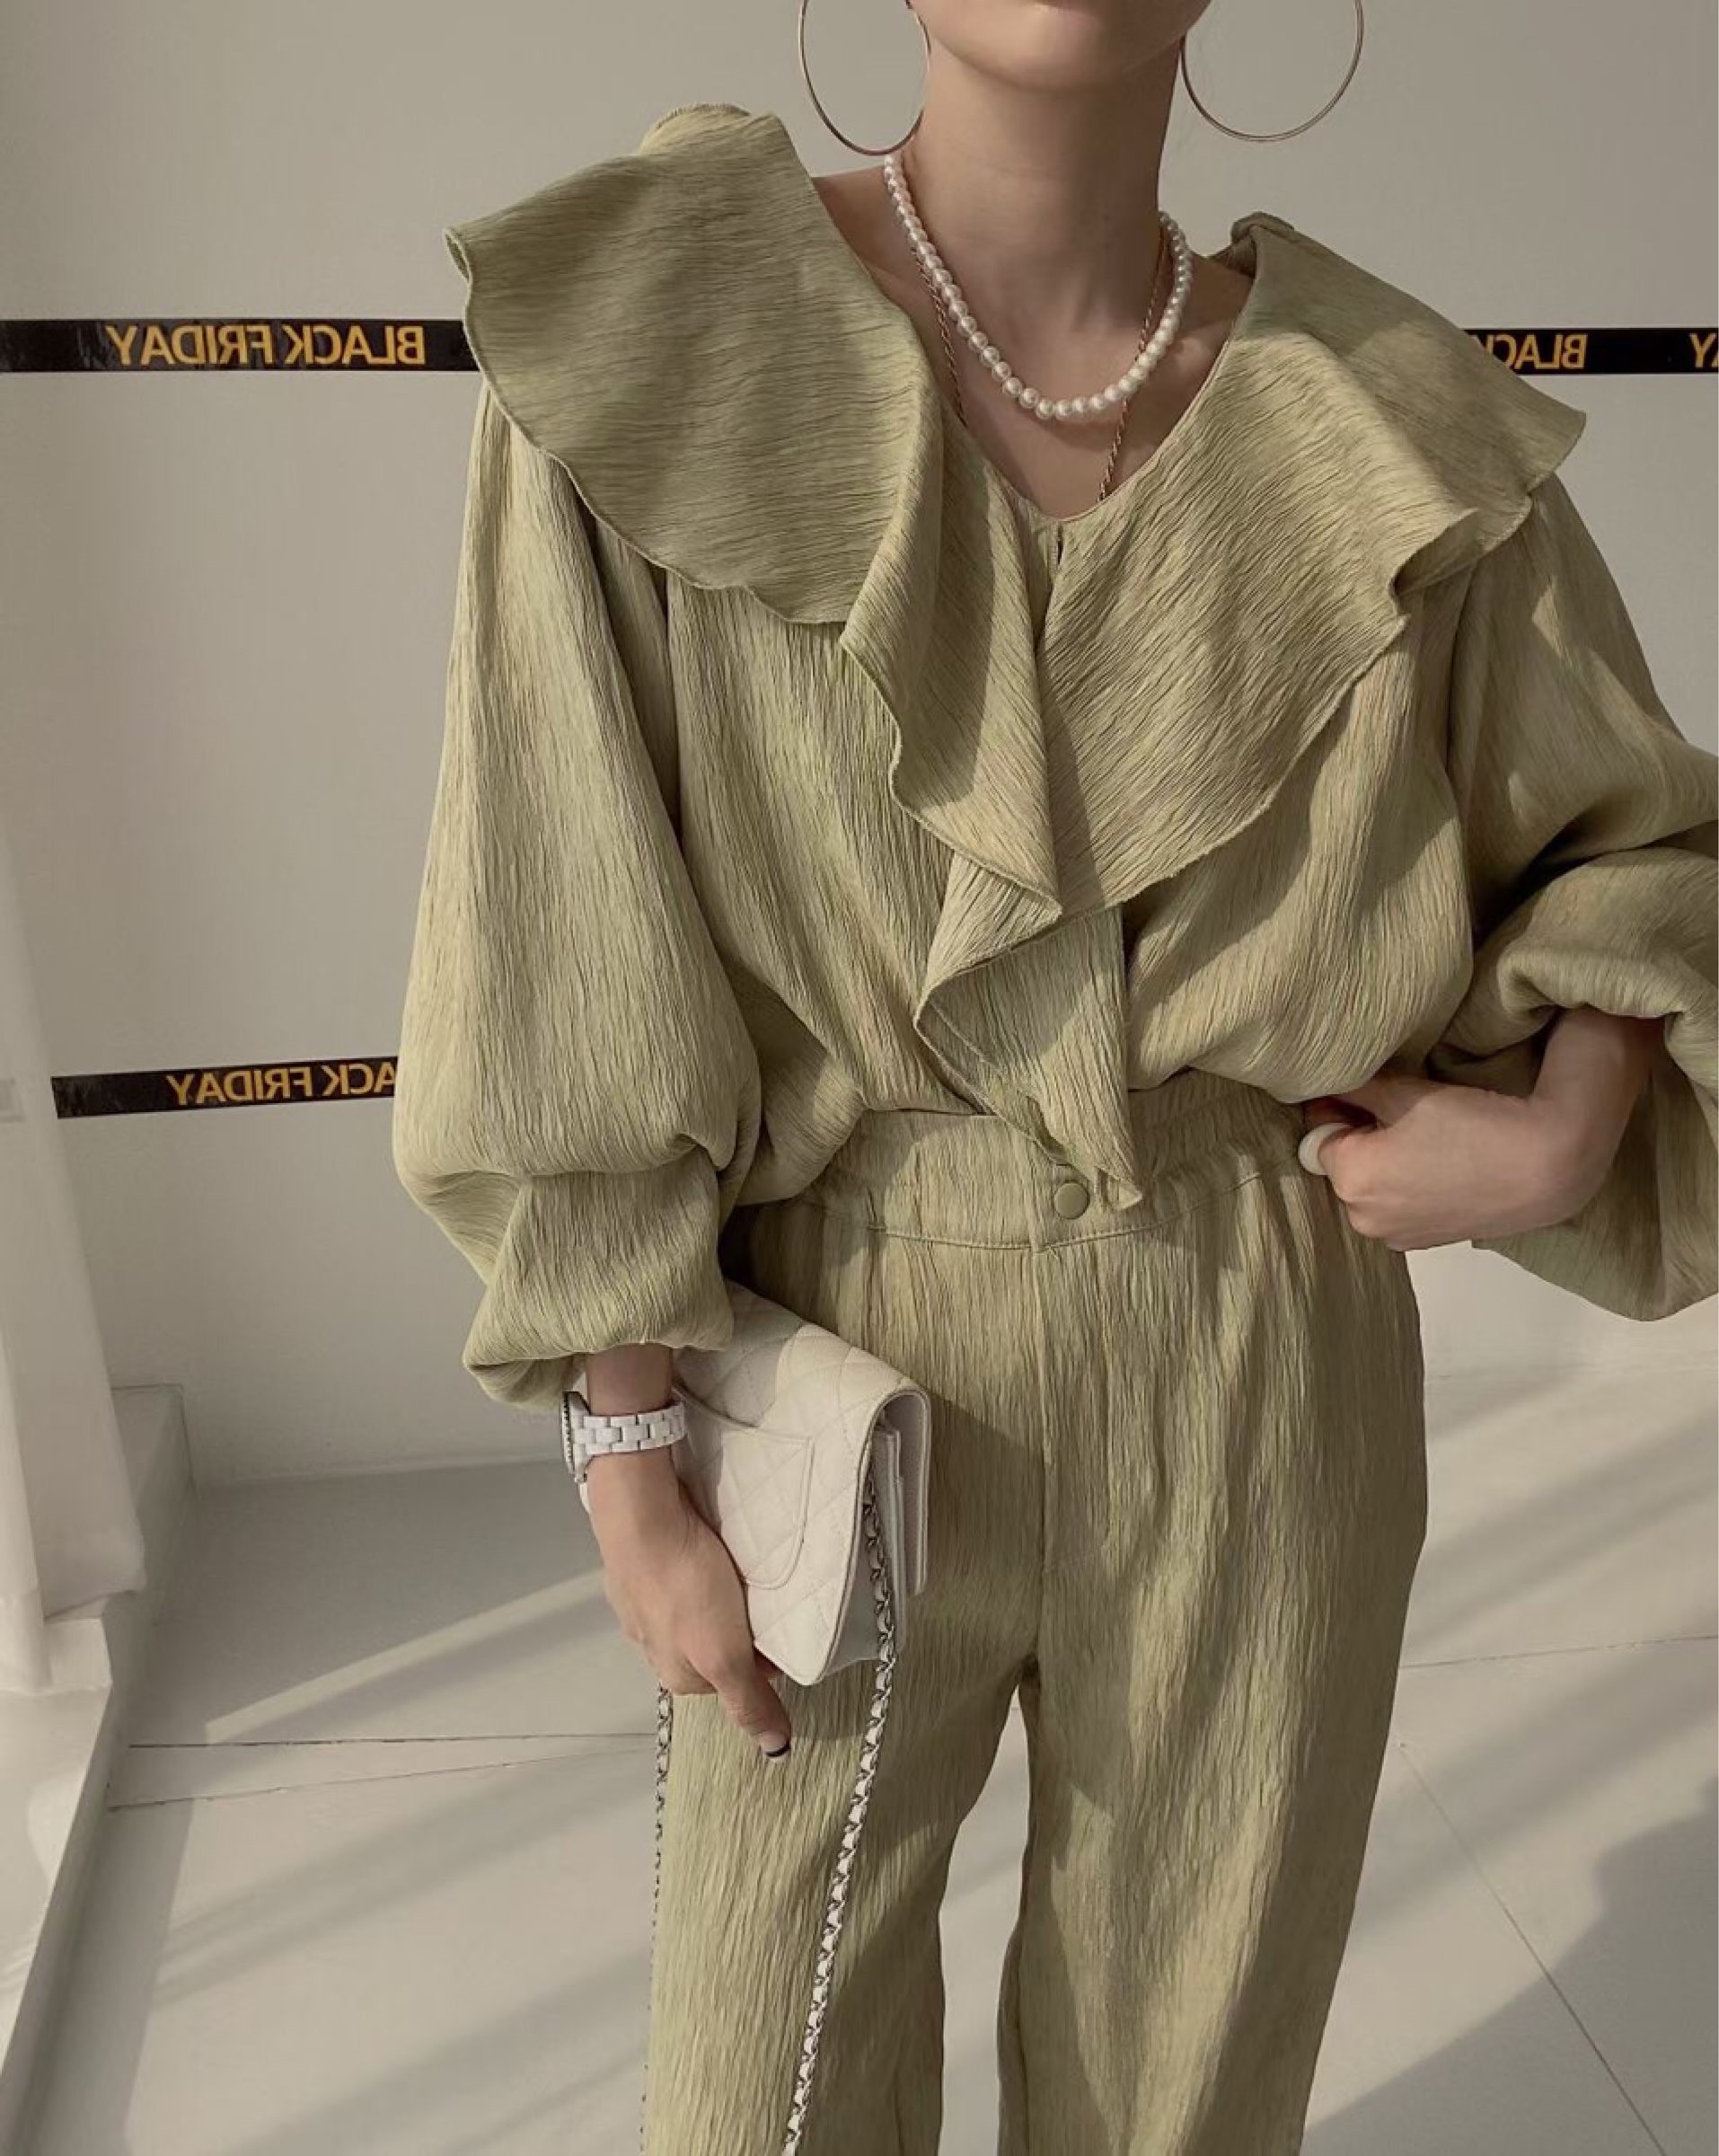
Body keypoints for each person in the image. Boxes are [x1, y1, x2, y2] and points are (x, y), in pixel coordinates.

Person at [391, 5, 1717, 2150]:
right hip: (834, 1326)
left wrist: (1570, 1124)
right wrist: (622, 1440)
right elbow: (562, 917)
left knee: (1186, 2086)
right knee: (761, 2091)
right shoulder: (670, 330)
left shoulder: (1383, 416)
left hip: (1262, 1332)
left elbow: (1639, 844)